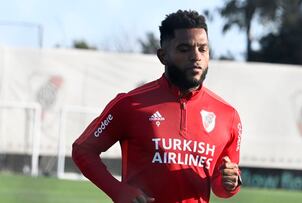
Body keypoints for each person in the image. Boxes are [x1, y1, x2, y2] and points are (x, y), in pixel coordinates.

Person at [72, 10, 242, 203]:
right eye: (184, 49)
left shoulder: (228, 116)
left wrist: (230, 183)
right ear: (163, 56)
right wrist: (117, 191)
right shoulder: (131, 104)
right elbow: (82, 150)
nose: (196, 56)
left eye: (203, 49)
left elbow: (220, 186)